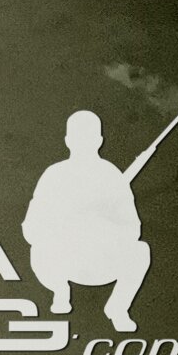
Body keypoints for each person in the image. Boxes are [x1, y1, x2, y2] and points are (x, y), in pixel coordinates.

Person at [23, 107, 157, 332]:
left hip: (101, 260)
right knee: (38, 250)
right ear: (68, 141)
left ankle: (117, 308)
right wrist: (63, 227)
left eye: (88, 137)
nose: (83, 142)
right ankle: (60, 291)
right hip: (64, 261)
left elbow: (133, 229)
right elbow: (31, 228)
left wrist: (103, 225)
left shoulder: (111, 175)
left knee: (140, 251)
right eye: (78, 137)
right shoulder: (54, 175)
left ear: (99, 140)